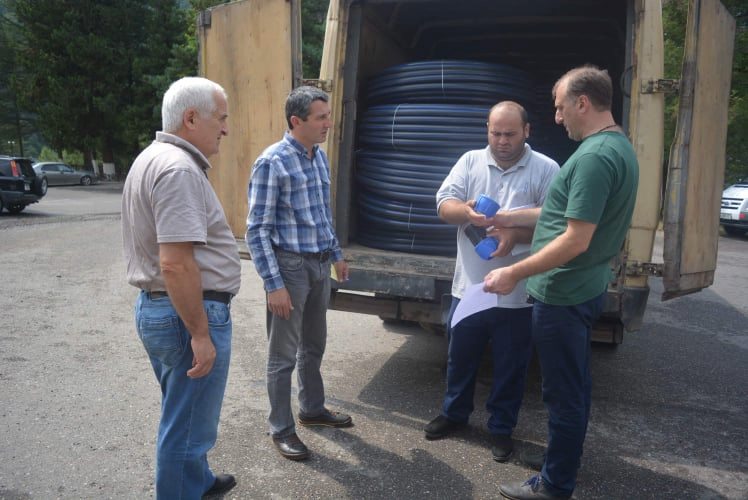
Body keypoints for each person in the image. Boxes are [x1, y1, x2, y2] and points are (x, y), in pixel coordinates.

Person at [484, 66, 639, 500]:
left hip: (564, 292)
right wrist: (505, 217)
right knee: (575, 386)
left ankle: (554, 484)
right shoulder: (616, 146)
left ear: (582, 103)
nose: (557, 117)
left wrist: (514, 272)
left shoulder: (592, 158)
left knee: (563, 394)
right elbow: (558, 213)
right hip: (584, 286)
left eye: (560, 107)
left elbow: (575, 239)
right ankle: (562, 460)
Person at [121, 77, 239, 499]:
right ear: (191, 118)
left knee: (186, 414)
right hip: (185, 313)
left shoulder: (153, 158)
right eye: (220, 118)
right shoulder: (178, 169)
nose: (225, 128)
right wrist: (200, 333)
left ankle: (198, 482)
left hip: (163, 308)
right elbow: (175, 262)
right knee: (187, 428)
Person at [426, 101, 559, 461]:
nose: (501, 141)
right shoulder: (470, 161)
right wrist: (465, 212)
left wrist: (514, 234)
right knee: (460, 357)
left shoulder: (546, 168)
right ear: (487, 129)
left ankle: (501, 428)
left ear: (527, 131)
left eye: (510, 134)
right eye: (495, 133)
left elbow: (556, 221)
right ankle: (454, 414)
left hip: (518, 292)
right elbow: (443, 204)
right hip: (470, 287)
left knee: (511, 366)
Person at [246, 85, 352, 462]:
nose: (328, 124)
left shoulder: (317, 157)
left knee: (314, 345)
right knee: (283, 356)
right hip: (289, 269)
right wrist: (273, 285)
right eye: (321, 118)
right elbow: (257, 230)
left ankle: (312, 409)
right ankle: (281, 428)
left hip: (319, 264)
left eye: (328, 116)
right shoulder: (272, 162)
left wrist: (336, 254)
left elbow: (322, 213)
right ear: (296, 121)